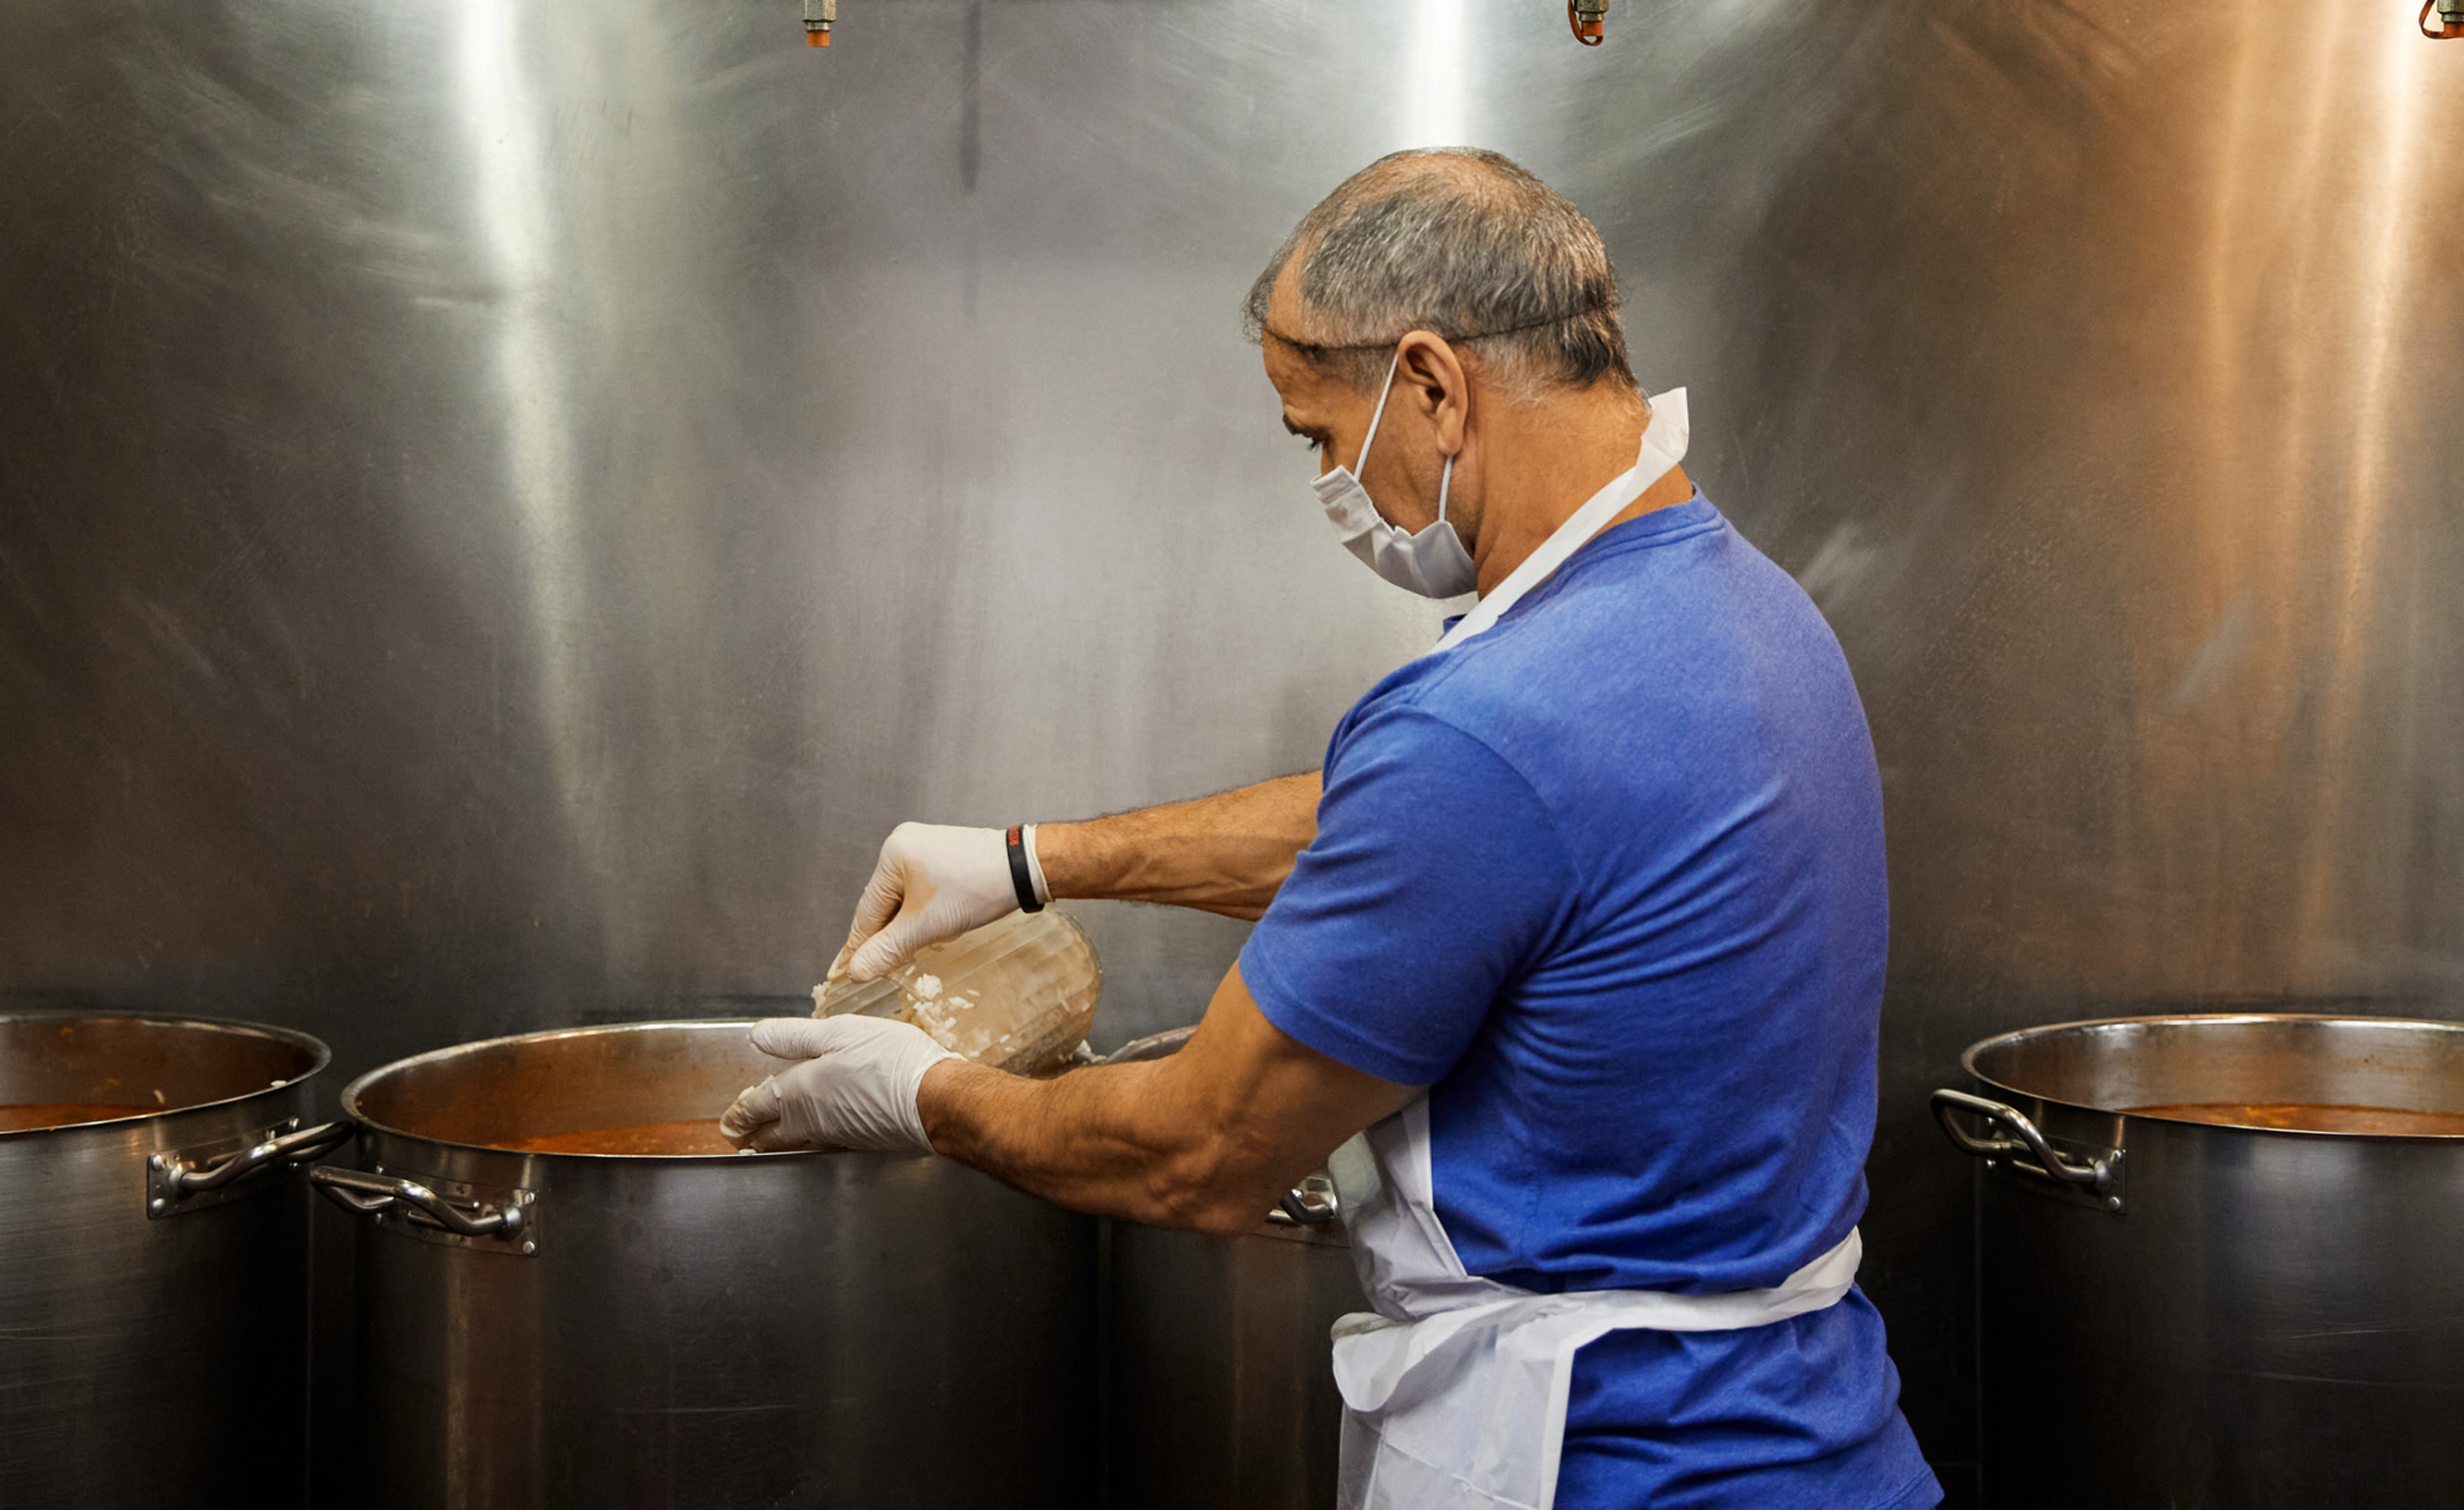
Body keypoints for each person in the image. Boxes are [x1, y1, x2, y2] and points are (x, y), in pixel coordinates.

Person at [723, 148, 1936, 1510]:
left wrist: (915, 1094)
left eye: (1316, 431)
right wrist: (1028, 861)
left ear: (1430, 385)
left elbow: (1195, 1153)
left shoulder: (1488, 727)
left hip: (1613, 1465)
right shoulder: (1734, 609)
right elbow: (1454, 847)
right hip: (1816, 1438)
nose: (1327, 478)